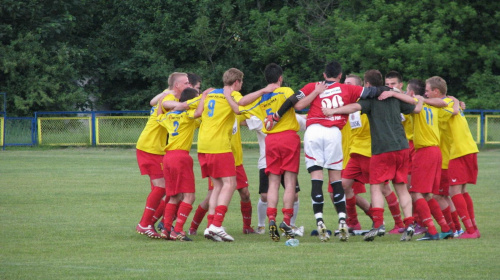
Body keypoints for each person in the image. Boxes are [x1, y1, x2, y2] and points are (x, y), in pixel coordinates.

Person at [268, 61, 392, 242]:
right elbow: (374, 91)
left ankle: (320, 222)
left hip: (314, 132)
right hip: (334, 133)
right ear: (340, 75)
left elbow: (294, 102)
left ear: (324, 75)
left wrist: (277, 115)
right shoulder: (348, 89)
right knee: (336, 179)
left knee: (316, 178)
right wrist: (392, 91)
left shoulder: (313, 86)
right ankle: (343, 220)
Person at [323, 70, 420, 242]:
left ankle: (378, 225)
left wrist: (333, 110)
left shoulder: (370, 99)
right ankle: (410, 224)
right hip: (402, 147)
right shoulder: (394, 96)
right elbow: (415, 108)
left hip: (382, 149)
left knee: (376, 187)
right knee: (401, 188)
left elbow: (355, 107)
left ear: (366, 85)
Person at [382, 78, 454, 241]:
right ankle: (445, 228)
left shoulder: (418, 102)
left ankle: (432, 231)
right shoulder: (432, 104)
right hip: (435, 151)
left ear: (413, 93)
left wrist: (393, 93)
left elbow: (410, 99)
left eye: (408, 90)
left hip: (425, 152)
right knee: (427, 194)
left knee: (415, 193)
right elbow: (445, 103)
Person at [238, 63, 301, 242]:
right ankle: (286, 220)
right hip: (288, 137)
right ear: (280, 78)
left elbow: (241, 102)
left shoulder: (262, 97)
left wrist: (262, 90)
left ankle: (271, 218)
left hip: (270, 141)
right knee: (289, 182)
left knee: (272, 183)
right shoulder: (286, 91)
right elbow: (297, 103)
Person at [135, 72, 190, 239]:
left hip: (156, 149)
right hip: (150, 147)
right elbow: (169, 104)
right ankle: (145, 224)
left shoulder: (169, 95)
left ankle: (151, 223)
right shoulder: (169, 98)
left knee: (164, 189)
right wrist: (192, 103)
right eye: (186, 83)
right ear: (177, 86)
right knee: (162, 187)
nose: (188, 85)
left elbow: (153, 101)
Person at [425, 76, 480, 239]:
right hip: (466, 149)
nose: (426, 94)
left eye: (427, 91)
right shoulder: (450, 102)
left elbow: (453, 110)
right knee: (461, 190)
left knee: (454, 190)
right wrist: (456, 100)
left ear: (436, 91)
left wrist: (420, 100)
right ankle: (473, 228)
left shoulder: (446, 105)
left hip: (458, 151)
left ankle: (469, 231)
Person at [246, 114, 306, 236]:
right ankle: (262, 225)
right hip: (266, 161)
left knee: (293, 194)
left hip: (273, 155)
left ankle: (290, 225)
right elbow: (244, 120)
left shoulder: (291, 116)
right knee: (265, 195)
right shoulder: (259, 117)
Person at [156, 87, 204, 241]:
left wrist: (160, 101)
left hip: (168, 157)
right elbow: (198, 114)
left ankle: (166, 229)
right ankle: (178, 230)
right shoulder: (188, 115)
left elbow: (159, 116)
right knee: (189, 196)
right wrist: (204, 98)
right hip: (181, 157)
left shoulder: (169, 116)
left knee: (174, 196)